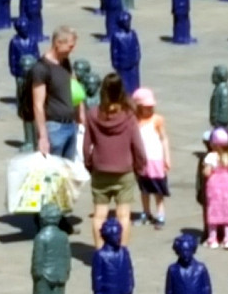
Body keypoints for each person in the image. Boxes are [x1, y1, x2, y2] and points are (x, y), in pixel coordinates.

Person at [83, 73, 147, 249]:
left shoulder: (93, 114)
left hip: (100, 169)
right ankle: (121, 251)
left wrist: (89, 164)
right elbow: (137, 145)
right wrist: (140, 166)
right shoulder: (128, 116)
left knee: (99, 214)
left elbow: (86, 145)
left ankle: (99, 251)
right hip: (124, 171)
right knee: (123, 215)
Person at [32, 26, 81, 159]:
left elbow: (74, 89)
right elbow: (38, 105)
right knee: (53, 169)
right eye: (70, 46)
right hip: (54, 128)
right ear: (58, 43)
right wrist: (43, 136)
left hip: (70, 125)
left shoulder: (65, 62)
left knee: (68, 169)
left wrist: (80, 116)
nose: (72, 50)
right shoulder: (41, 68)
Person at [131, 87, 171, 229]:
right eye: (146, 107)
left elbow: (164, 138)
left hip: (155, 159)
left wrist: (167, 157)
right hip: (141, 161)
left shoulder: (157, 120)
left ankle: (160, 214)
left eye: (151, 107)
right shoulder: (134, 120)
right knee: (144, 189)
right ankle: (146, 212)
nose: (149, 109)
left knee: (158, 189)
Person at [202, 128, 228, 249]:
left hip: (214, 187)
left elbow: (207, 172)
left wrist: (205, 168)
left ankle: (212, 239)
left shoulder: (211, 157)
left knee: (214, 211)